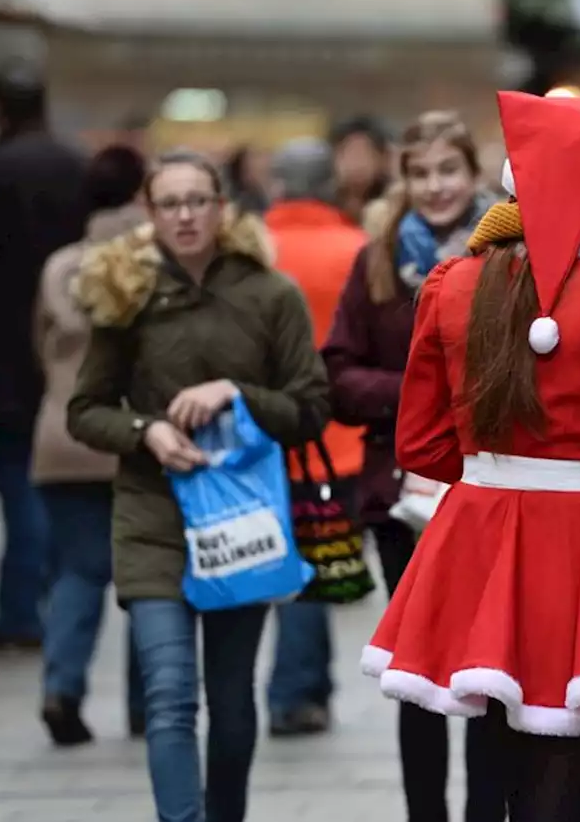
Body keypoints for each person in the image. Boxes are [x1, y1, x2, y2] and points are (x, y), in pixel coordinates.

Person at [361, 91, 580, 821]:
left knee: (493, 751)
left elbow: (420, 445)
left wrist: (493, 465)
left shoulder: (450, 287)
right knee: (566, 773)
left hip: (477, 528)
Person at [67, 150, 330, 822]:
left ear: (222, 208)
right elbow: (86, 409)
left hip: (239, 517)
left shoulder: (271, 293)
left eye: (197, 200)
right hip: (152, 517)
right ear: (149, 213)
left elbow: (309, 408)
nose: (185, 215)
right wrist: (146, 430)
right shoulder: (126, 293)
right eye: (170, 203)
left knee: (232, 697)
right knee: (170, 693)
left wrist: (235, 394)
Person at [323, 110, 498, 822]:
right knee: (418, 674)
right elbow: (337, 370)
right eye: (420, 173)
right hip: (401, 492)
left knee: (491, 669)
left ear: (473, 173)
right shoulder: (378, 259)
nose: (434, 186)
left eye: (447, 171)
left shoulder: (508, 254)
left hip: (492, 490)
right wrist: (420, 391)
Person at [0, 58, 89, 651]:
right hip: (68, 347)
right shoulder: (72, 166)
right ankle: (53, 600)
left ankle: (21, 612)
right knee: (57, 486)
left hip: (4, 355)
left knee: (18, 483)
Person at [34, 144, 149, 746]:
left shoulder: (60, 267)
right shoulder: (152, 262)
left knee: (77, 572)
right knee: (144, 576)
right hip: (135, 436)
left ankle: (61, 687)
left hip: (61, 436)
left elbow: (40, 347)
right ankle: (144, 703)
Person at [262, 138, 368, 737]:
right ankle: (297, 692)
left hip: (265, 433)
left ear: (278, 183)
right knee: (318, 561)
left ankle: (306, 684)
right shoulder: (356, 250)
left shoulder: (252, 251)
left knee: (296, 562)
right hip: (339, 439)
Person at [331, 115, 391, 228]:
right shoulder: (322, 202)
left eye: (364, 153)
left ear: (382, 158)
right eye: (347, 153)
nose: (356, 163)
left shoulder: (393, 205)